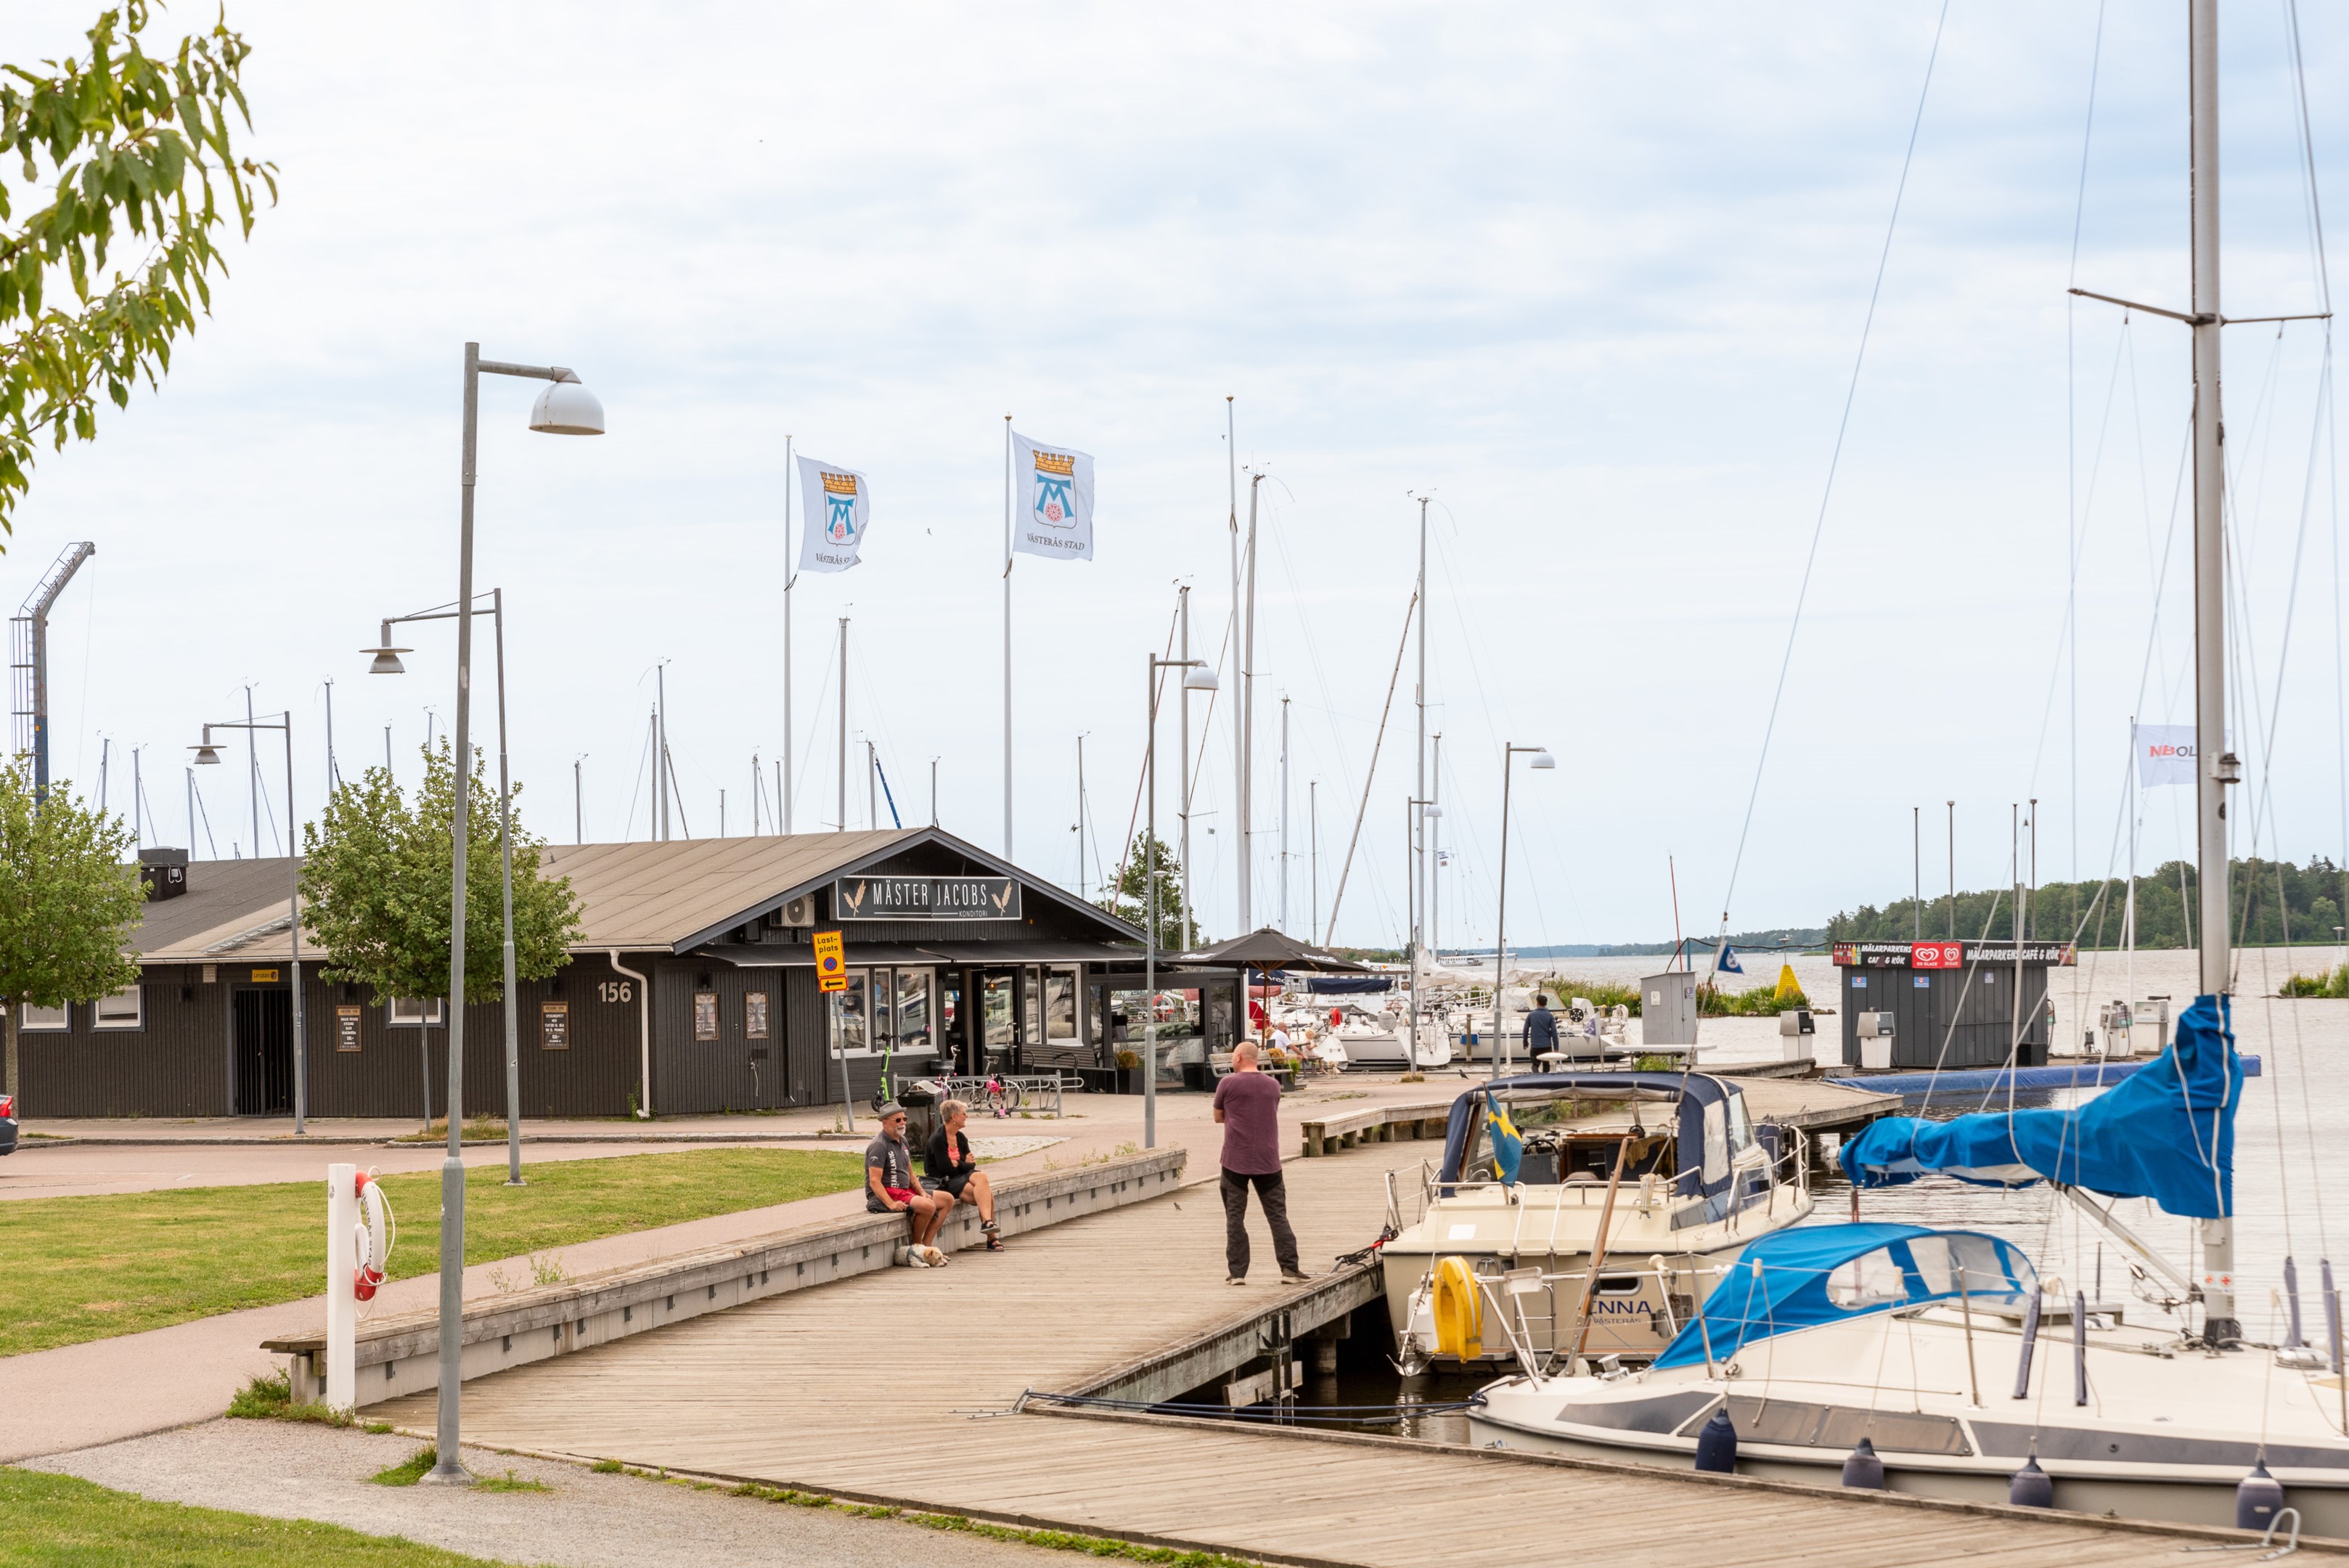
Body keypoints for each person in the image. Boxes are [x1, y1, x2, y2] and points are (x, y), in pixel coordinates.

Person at [1211, 1042, 1307, 1287]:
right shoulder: (1273, 1085)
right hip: (1269, 1160)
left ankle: (1238, 1273)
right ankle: (1289, 1268)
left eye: (1234, 1056)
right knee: (1277, 1216)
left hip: (1235, 1160)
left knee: (1235, 1217)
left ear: (1240, 1058)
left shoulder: (1227, 1083)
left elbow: (1218, 1117)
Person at [866, 1102, 951, 1266]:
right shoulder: (879, 1145)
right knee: (928, 1206)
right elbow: (874, 1181)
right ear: (885, 1122)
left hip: (904, 1189)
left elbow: (911, 1174)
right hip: (889, 1190)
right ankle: (916, 1248)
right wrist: (890, 1204)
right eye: (898, 1120)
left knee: (947, 1199)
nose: (903, 1123)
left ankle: (926, 1248)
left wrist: (921, 1192)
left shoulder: (902, 1141)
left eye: (904, 1119)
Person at [924, 1098, 1001, 1251]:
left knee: (981, 1177)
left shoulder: (960, 1137)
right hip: (944, 1181)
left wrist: (958, 1162)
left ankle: (987, 1222)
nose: (966, 1117)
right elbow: (945, 1168)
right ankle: (991, 1238)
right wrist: (963, 1163)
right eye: (964, 1114)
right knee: (987, 1194)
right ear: (954, 1117)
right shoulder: (938, 1139)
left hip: (959, 1176)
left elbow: (972, 1164)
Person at [1523, 992, 1559, 1063]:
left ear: (1537, 1003)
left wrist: (1525, 1043)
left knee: (1535, 1065)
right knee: (1547, 1066)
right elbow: (1554, 1032)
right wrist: (1556, 1047)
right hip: (1547, 1046)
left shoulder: (1531, 1015)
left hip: (1535, 1046)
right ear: (1546, 1004)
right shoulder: (1550, 1015)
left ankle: (1535, 1074)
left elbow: (1525, 1030)